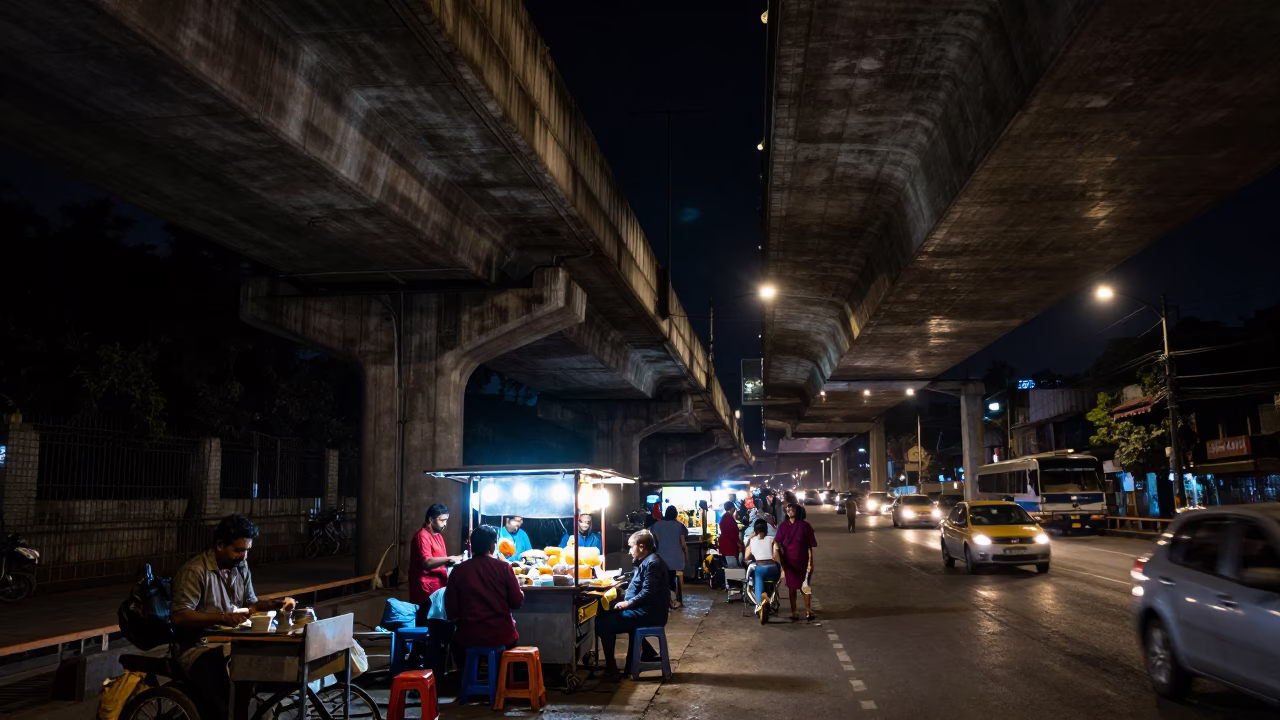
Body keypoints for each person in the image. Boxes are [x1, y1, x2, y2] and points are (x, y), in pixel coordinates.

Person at [170, 514, 297, 718]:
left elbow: (251, 605)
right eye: (238, 550)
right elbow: (179, 617)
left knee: (258, 669)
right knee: (229, 695)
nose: (244, 556)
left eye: (247, 550)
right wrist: (220, 617)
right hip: (196, 648)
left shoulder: (241, 567)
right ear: (220, 545)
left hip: (230, 642)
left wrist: (277, 605)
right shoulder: (194, 571)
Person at [595, 530, 669, 680]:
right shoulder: (648, 561)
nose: (629, 551)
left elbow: (648, 593)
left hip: (648, 614)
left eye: (631, 547)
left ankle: (611, 668)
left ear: (641, 547)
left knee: (602, 624)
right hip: (643, 610)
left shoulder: (653, 563)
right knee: (605, 614)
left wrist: (628, 603)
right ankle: (643, 655)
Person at [445, 525, 525, 654]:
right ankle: (501, 674)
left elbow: (451, 610)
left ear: (472, 545)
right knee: (509, 647)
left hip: (468, 636)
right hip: (501, 635)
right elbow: (516, 602)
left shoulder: (458, 570)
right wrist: (521, 593)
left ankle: (469, 673)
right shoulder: (504, 568)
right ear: (493, 545)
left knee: (458, 648)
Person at [409, 504, 463, 622]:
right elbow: (427, 562)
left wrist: (454, 562)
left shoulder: (438, 537)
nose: (445, 524)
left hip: (438, 588)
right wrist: (449, 559)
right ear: (431, 519)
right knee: (425, 626)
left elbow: (441, 562)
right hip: (425, 591)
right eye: (442, 520)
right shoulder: (422, 536)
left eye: (446, 520)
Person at [775, 502, 818, 622]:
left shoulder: (805, 526)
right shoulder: (783, 526)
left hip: (803, 561)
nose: (789, 511)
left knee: (805, 586)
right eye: (788, 509)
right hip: (789, 562)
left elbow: (810, 546)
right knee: (792, 588)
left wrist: (810, 562)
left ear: (798, 511)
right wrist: (780, 559)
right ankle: (795, 612)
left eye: (792, 509)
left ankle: (808, 612)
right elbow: (777, 543)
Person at [649, 505, 688, 609]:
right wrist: (687, 556)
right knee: (673, 579)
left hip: (662, 557)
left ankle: (666, 600)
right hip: (676, 558)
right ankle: (675, 601)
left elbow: (655, 538)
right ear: (675, 514)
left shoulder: (658, 525)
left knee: (664, 579)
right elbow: (683, 544)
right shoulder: (680, 526)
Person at [743, 518, 781, 621]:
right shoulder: (772, 539)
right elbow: (776, 556)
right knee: (775, 583)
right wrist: (780, 570)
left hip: (760, 568)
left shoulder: (752, 540)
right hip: (773, 568)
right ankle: (771, 598)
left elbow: (746, 557)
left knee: (756, 578)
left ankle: (759, 603)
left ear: (755, 530)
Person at [717, 501, 743, 568]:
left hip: (727, 544)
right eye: (734, 507)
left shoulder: (726, 517)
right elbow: (731, 533)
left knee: (731, 566)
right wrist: (738, 543)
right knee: (732, 567)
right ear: (732, 508)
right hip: (729, 545)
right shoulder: (727, 518)